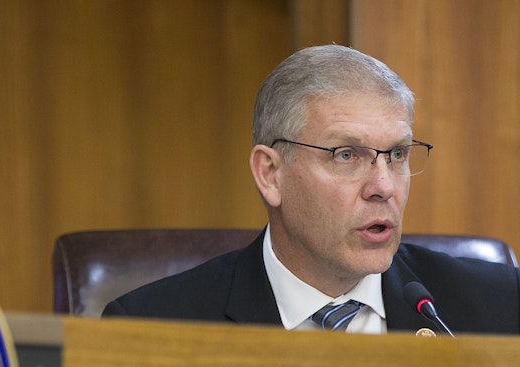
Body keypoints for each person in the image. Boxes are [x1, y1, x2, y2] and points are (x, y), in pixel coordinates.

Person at [102, 44, 520, 335]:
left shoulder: (499, 307)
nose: (383, 186)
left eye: (396, 154)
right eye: (345, 155)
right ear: (270, 173)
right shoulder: (156, 325)